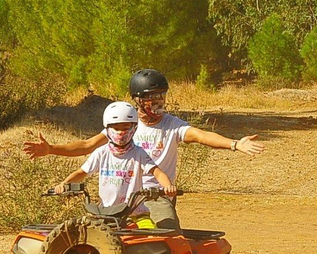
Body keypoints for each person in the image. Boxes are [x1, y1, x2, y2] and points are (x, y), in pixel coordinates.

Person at [25, 69, 265, 226]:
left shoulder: (172, 126)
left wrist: (235, 144)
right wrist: (51, 149)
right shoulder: (124, 125)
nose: (158, 102)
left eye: (161, 96)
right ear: (138, 100)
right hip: (120, 198)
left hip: (156, 196)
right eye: (152, 97)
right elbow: (87, 145)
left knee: (167, 235)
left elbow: (201, 136)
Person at [53, 102, 177, 229]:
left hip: (136, 213)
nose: (121, 132)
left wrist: (168, 187)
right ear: (107, 129)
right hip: (105, 214)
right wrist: (64, 184)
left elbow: (158, 173)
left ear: (134, 128)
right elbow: (81, 172)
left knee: (150, 235)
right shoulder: (101, 153)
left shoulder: (139, 153)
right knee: (87, 233)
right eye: (116, 128)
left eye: (125, 127)